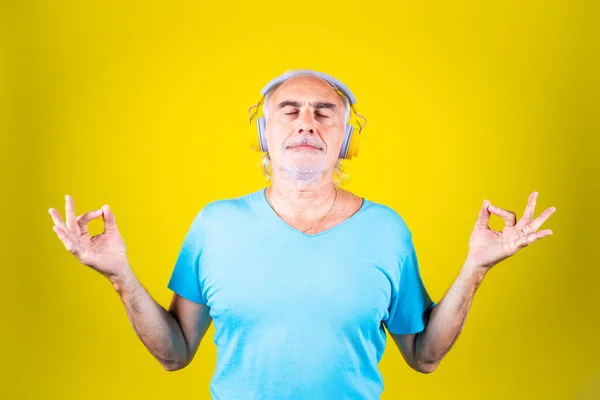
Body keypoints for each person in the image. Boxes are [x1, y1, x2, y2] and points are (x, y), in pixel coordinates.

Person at [48, 69, 556, 400]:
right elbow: (175, 354)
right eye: (289, 110)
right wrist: (120, 278)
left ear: (347, 139)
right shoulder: (214, 224)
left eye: (325, 111)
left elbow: (423, 356)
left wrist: (476, 267)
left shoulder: (387, 229)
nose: (307, 122)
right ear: (264, 135)